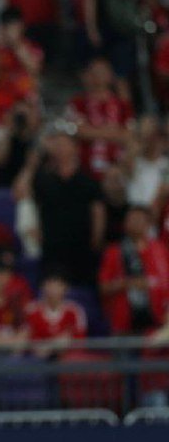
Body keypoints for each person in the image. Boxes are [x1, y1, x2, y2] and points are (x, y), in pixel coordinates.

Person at [15, 132, 106, 285]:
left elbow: (98, 212)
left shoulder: (88, 180)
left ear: (76, 148)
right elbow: (20, 192)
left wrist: (96, 239)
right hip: (52, 249)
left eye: (64, 144)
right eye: (56, 145)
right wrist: (32, 164)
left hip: (81, 249)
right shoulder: (43, 179)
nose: (60, 148)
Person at [99, 206, 169, 334]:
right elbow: (103, 288)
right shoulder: (114, 252)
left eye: (138, 219)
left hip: (158, 324)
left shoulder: (160, 250)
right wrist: (128, 283)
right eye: (130, 219)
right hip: (124, 325)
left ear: (148, 224)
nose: (134, 223)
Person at [66, 58, 134, 180]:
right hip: (85, 171)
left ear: (111, 76)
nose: (98, 76)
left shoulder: (122, 105)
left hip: (117, 171)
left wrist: (93, 131)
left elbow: (128, 135)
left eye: (102, 72)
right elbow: (78, 131)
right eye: (95, 72)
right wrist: (114, 132)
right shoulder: (78, 102)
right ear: (88, 75)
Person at [25, 272, 87, 356]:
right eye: (50, 285)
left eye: (58, 285)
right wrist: (53, 345)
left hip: (68, 358)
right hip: (37, 358)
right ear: (43, 287)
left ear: (65, 288)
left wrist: (57, 346)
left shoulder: (75, 311)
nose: (53, 290)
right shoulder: (31, 310)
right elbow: (27, 340)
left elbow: (80, 342)